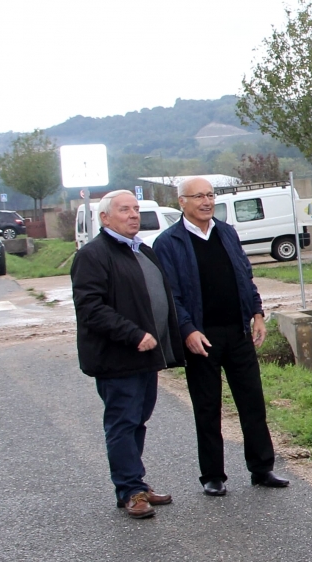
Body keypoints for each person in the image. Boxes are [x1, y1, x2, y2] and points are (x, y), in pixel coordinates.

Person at [153, 177, 288, 496]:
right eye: (198, 196)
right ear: (181, 202)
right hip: (201, 337)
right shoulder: (168, 243)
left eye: (210, 195)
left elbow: (245, 276)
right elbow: (171, 295)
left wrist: (257, 314)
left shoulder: (226, 233)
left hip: (238, 332)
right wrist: (187, 330)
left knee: (252, 401)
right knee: (207, 406)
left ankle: (262, 468)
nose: (206, 201)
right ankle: (213, 475)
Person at [71, 189, 184, 519]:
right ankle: (130, 491)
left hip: (147, 356)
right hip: (118, 358)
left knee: (138, 421)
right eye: (125, 210)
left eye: (136, 209)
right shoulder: (93, 255)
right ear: (105, 218)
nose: (134, 215)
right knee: (122, 422)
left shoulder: (142, 251)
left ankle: (136, 481)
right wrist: (133, 334)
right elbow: (91, 309)